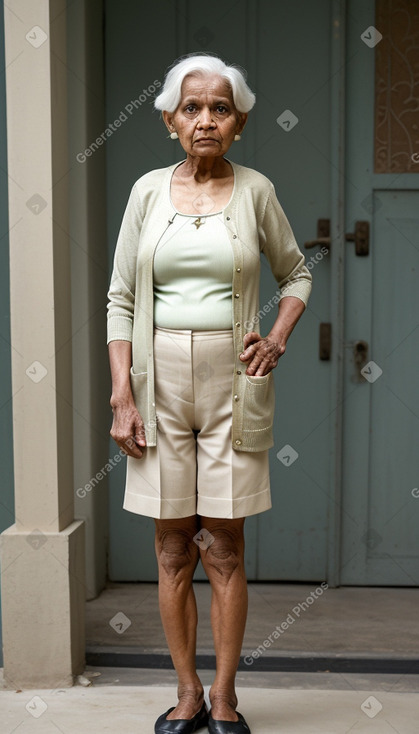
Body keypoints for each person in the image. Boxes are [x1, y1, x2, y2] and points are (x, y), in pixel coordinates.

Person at [107, 52, 312, 734]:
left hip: (233, 383)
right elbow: (119, 299)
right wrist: (121, 397)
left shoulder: (255, 190)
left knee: (221, 546)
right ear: (169, 120)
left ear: (239, 122)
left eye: (219, 108)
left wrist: (276, 336)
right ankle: (186, 693)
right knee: (171, 550)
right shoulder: (144, 193)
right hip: (156, 386)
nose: (205, 119)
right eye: (191, 108)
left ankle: (224, 698)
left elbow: (296, 273)